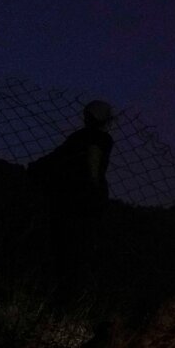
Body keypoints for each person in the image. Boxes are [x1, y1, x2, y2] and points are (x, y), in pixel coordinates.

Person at [29, 99, 116, 302]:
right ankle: (66, 297)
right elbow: (93, 162)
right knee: (76, 252)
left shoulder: (79, 138)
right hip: (85, 203)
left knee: (61, 248)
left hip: (65, 199)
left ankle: (57, 294)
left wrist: (35, 169)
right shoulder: (102, 139)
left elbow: (54, 158)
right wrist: (94, 184)